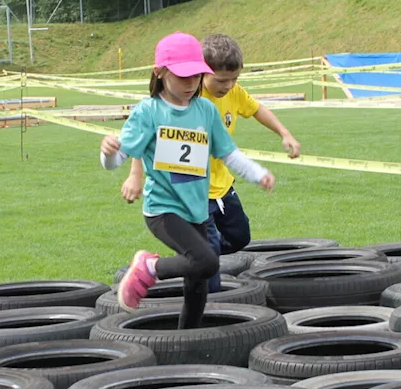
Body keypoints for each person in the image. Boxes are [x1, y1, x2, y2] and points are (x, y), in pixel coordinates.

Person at [101, 32, 275, 326]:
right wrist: (108, 153)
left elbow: (229, 154)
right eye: (183, 77)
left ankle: (186, 340)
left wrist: (258, 174)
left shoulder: (205, 110)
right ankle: (149, 266)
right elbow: (115, 161)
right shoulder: (149, 112)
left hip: (197, 210)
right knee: (207, 261)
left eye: (197, 76)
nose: (191, 83)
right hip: (164, 209)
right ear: (160, 73)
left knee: (198, 286)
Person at [123, 33, 301, 292]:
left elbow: (257, 110)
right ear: (202, 73)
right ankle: (209, 302)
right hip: (196, 192)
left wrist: (285, 134)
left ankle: (190, 257)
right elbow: (147, 137)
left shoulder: (234, 93)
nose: (228, 85)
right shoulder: (187, 98)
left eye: (234, 79)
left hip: (223, 186)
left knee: (240, 236)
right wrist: (135, 174)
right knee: (208, 259)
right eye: (221, 80)